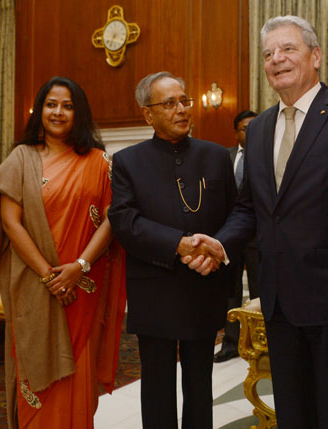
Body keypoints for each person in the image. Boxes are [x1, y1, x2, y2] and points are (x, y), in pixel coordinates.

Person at [183, 15, 328, 428]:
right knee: (293, 416)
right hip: (278, 306)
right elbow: (250, 208)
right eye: (268, 54)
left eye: (287, 49)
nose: (277, 59)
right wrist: (221, 245)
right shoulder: (258, 130)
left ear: (316, 56)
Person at [0, 76, 126, 429]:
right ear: (39, 110)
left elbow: (112, 220)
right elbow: (11, 222)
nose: (59, 112)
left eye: (67, 105)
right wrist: (50, 275)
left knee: (77, 369)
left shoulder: (99, 162)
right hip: (35, 286)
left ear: (78, 113)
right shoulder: (21, 158)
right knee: (34, 364)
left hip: (81, 288)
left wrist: (79, 267)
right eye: (51, 104)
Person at [107, 72, 236, 429]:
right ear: (148, 114)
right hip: (155, 288)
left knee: (200, 385)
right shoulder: (128, 161)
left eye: (184, 101)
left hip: (204, 285)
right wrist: (177, 245)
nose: (181, 109)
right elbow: (124, 221)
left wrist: (214, 254)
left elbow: (235, 215)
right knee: (158, 387)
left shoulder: (216, 156)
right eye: (169, 103)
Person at [214, 110, 259, 363]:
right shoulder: (225, 156)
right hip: (230, 237)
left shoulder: (267, 155)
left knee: (259, 290)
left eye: (254, 126)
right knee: (230, 293)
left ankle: (263, 344)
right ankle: (230, 344)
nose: (249, 132)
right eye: (244, 128)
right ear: (236, 133)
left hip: (258, 238)